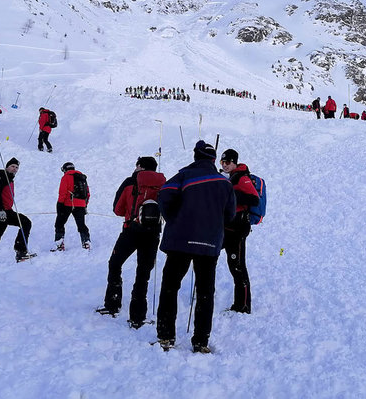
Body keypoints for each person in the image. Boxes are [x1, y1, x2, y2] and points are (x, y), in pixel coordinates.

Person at [155, 140, 236, 353]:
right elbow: (230, 215)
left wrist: (174, 219)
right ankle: (200, 341)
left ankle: (165, 336)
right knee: (205, 292)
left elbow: (164, 195)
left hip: (179, 241)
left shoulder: (183, 176)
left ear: (195, 156)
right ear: (212, 159)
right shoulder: (225, 183)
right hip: (209, 244)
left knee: (170, 287)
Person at [97, 157, 166, 326]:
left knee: (115, 264)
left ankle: (112, 304)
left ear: (139, 167)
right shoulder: (163, 184)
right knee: (143, 274)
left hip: (131, 230)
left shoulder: (130, 182)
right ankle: (137, 316)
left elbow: (117, 209)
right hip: (153, 234)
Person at [219, 148, 259, 313]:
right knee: (229, 263)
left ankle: (243, 305)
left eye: (228, 162)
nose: (225, 165)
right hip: (227, 228)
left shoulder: (242, 178)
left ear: (234, 162)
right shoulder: (230, 177)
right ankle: (239, 304)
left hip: (238, 230)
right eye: (222, 162)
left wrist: (232, 195)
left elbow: (254, 199)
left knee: (237, 266)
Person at [0, 158, 34, 269]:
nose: (15, 169)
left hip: (6, 211)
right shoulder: (1, 176)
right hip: (1, 212)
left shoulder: (9, 179)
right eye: (13, 166)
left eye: (17, 167)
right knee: (25, 222)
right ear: (7, 166)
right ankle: (20, 251)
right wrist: (1, 211)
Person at [53, 162, 91, 251]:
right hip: (81, 205)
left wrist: (59, 204)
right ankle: (86, 242)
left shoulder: (66, 177)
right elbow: (87, 194)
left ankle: (59, 244)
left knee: (59, 223)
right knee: (81, 225)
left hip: (67, 204)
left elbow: (62, 192)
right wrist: (84, 205)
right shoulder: (82, 178)